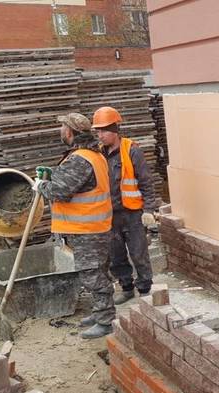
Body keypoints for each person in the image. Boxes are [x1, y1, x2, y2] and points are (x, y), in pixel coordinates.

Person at [34, 113, 115, 339]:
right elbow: (76, 185)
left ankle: (105, 321)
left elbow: (60, 192)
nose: (60, 131)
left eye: (62, 127)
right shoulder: (92, 155)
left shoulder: (80, 159)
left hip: (88, 230)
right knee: (98, 272)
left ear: (69, 131)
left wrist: (41, 185)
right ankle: (100, 312)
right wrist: (54, 176)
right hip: (94, 228)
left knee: (93, 275)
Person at [91, 106, 157, 305]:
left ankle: (145, 289)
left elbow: (146, 181)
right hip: (110, 214)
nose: (100, 135)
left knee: (139, 252)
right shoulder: (99, 154)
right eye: (98, 131)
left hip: (132, 213)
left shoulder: (132, 151)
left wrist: (149, 210)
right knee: (116, 254)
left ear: (115, 130)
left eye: (104, 131)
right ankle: (126, 287)